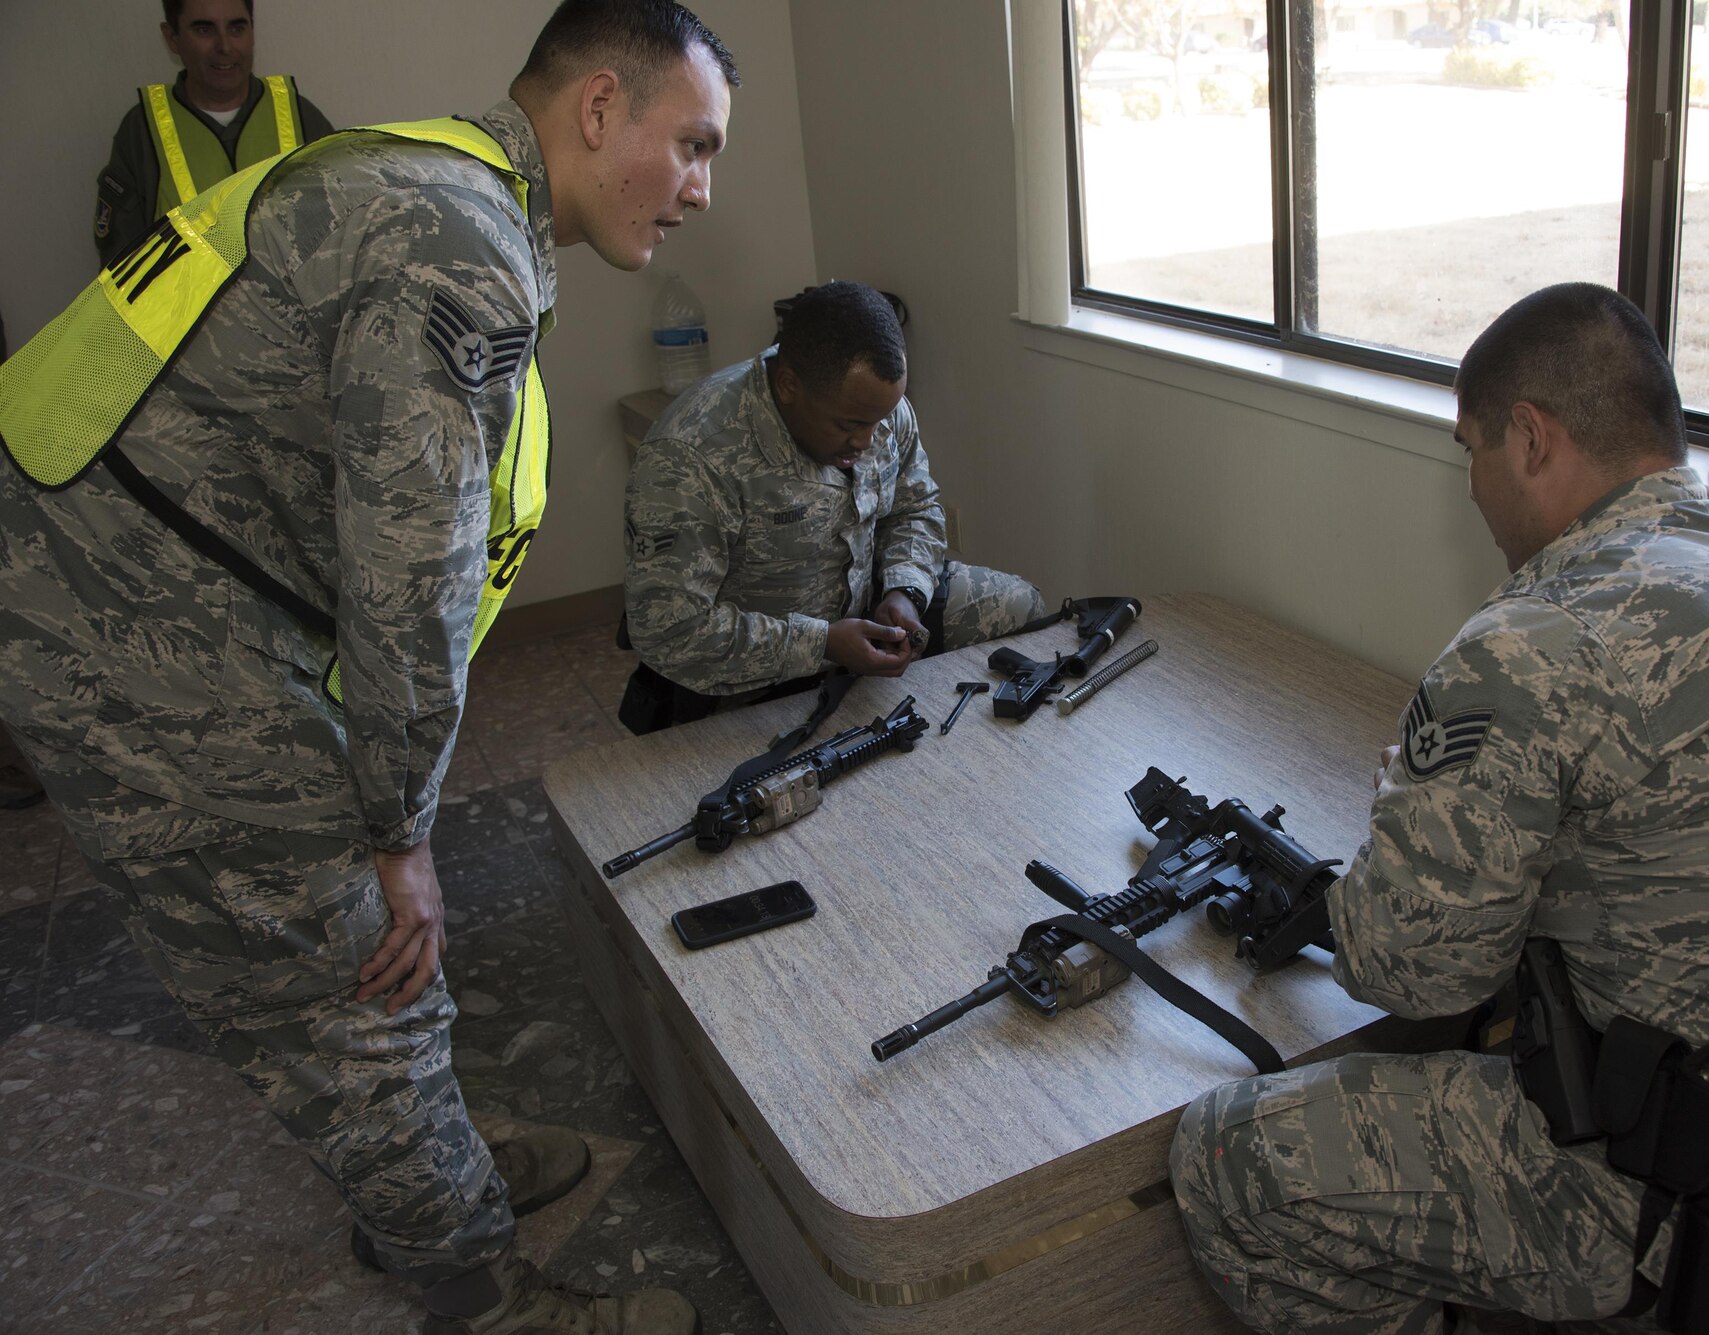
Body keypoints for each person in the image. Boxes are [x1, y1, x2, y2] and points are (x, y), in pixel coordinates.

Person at [0, 2, 736, 1331]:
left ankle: (426, 1169)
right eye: (691, 145)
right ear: (595, 111)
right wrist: (396, 827)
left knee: (360, 950)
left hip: (128, 569)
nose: (700, 188)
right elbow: (412, 580)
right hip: (130, 619)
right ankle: (473, 1281)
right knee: (366, 962)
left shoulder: (430, 174)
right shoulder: (458, 247)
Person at [1170, 283, 1709, 1334]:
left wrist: (1404, 791)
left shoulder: (1530, 638)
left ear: (1529, 439)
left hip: (1660, 1192)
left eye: (1468, 451)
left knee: (1226, 1154)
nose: (1471, 489)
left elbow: (1405, 970)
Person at [620, 279, 1047, 730]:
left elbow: (915, 509)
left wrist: (906, 590)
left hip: (871, 614)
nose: (866, 441)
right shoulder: (692, 453)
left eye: (879, 421)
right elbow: (671, 632)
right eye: (849, 424)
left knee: (1020, 604)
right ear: (789, 386)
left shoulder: (879, 408)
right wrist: (820, 643)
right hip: (755, 666)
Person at [95, 0, 338, 266]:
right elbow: (121, 268)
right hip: (187, 309)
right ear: (172, 38)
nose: (224, 47)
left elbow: (342, 240)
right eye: (204, 30)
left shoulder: (301, 118)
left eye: (237, 28)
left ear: (252, 31)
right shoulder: (142, 133)